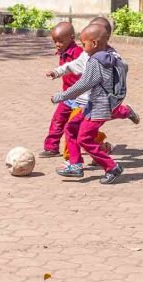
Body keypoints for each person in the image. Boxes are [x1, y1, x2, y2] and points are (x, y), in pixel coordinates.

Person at [51, 24, 126, 184]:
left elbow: (82, 85)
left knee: (84, 138)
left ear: (95, 44)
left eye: (84, 44)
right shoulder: (114, 57)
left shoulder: (95, 62)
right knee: (70, 128)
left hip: (98, 108)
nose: (83, 49)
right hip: (93, 105)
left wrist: (60, 96)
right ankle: (75, 165)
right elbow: (124, 68)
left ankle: (112, 167)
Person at [41, 22, 84, 158]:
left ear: (71, 38)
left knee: (78, 128)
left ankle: (101, 147)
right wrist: (54, 73)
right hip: (67, 96)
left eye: (60, 41)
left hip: (81, 98)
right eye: (55, 41)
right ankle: (51, 147)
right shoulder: (62, 51)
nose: (57, 44)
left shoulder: (79, 54)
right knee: (58, 120)